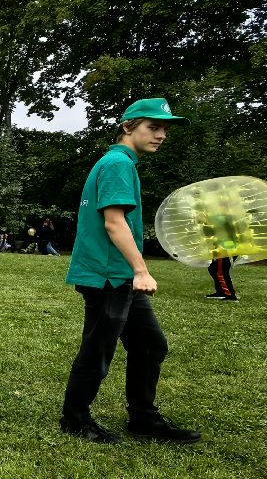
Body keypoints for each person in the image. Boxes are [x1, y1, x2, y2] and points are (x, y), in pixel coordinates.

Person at [60, 98, 200, 445]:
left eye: (165, 129)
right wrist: (141, 269)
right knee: (98, 349)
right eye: (154, 127)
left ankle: (143, 419)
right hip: (109, 275)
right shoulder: (118, 164)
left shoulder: (121, 163)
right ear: (128, 127)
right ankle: (74, 420)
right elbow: (114, 222)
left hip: (120, 276)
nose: (161, 135)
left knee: (151, 345)